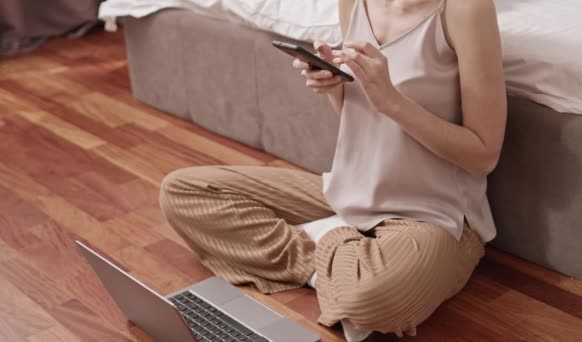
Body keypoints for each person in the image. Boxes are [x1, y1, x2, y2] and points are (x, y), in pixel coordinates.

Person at [159, 0, 506, 339]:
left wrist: (392, 102)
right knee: (183, 192)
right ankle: (342, 254)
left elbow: (483, 155)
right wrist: (335, 88)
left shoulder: (467, 8)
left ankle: (332, 247)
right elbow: (360, 120)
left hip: (432, 213)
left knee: (369, 301)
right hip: (350, 190)